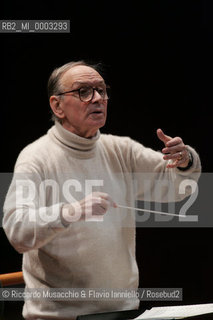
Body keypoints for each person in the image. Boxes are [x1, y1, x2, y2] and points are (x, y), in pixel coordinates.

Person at [3, 61, 201, 320]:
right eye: (84, 91)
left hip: (122, 312)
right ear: (57, 105)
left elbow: (177, 187)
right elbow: (17, 230)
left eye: (101, 90)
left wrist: (184, 160)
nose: (97, 98)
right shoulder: (35, 158)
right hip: (60, 317)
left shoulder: (120, 149)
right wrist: (71, 211)